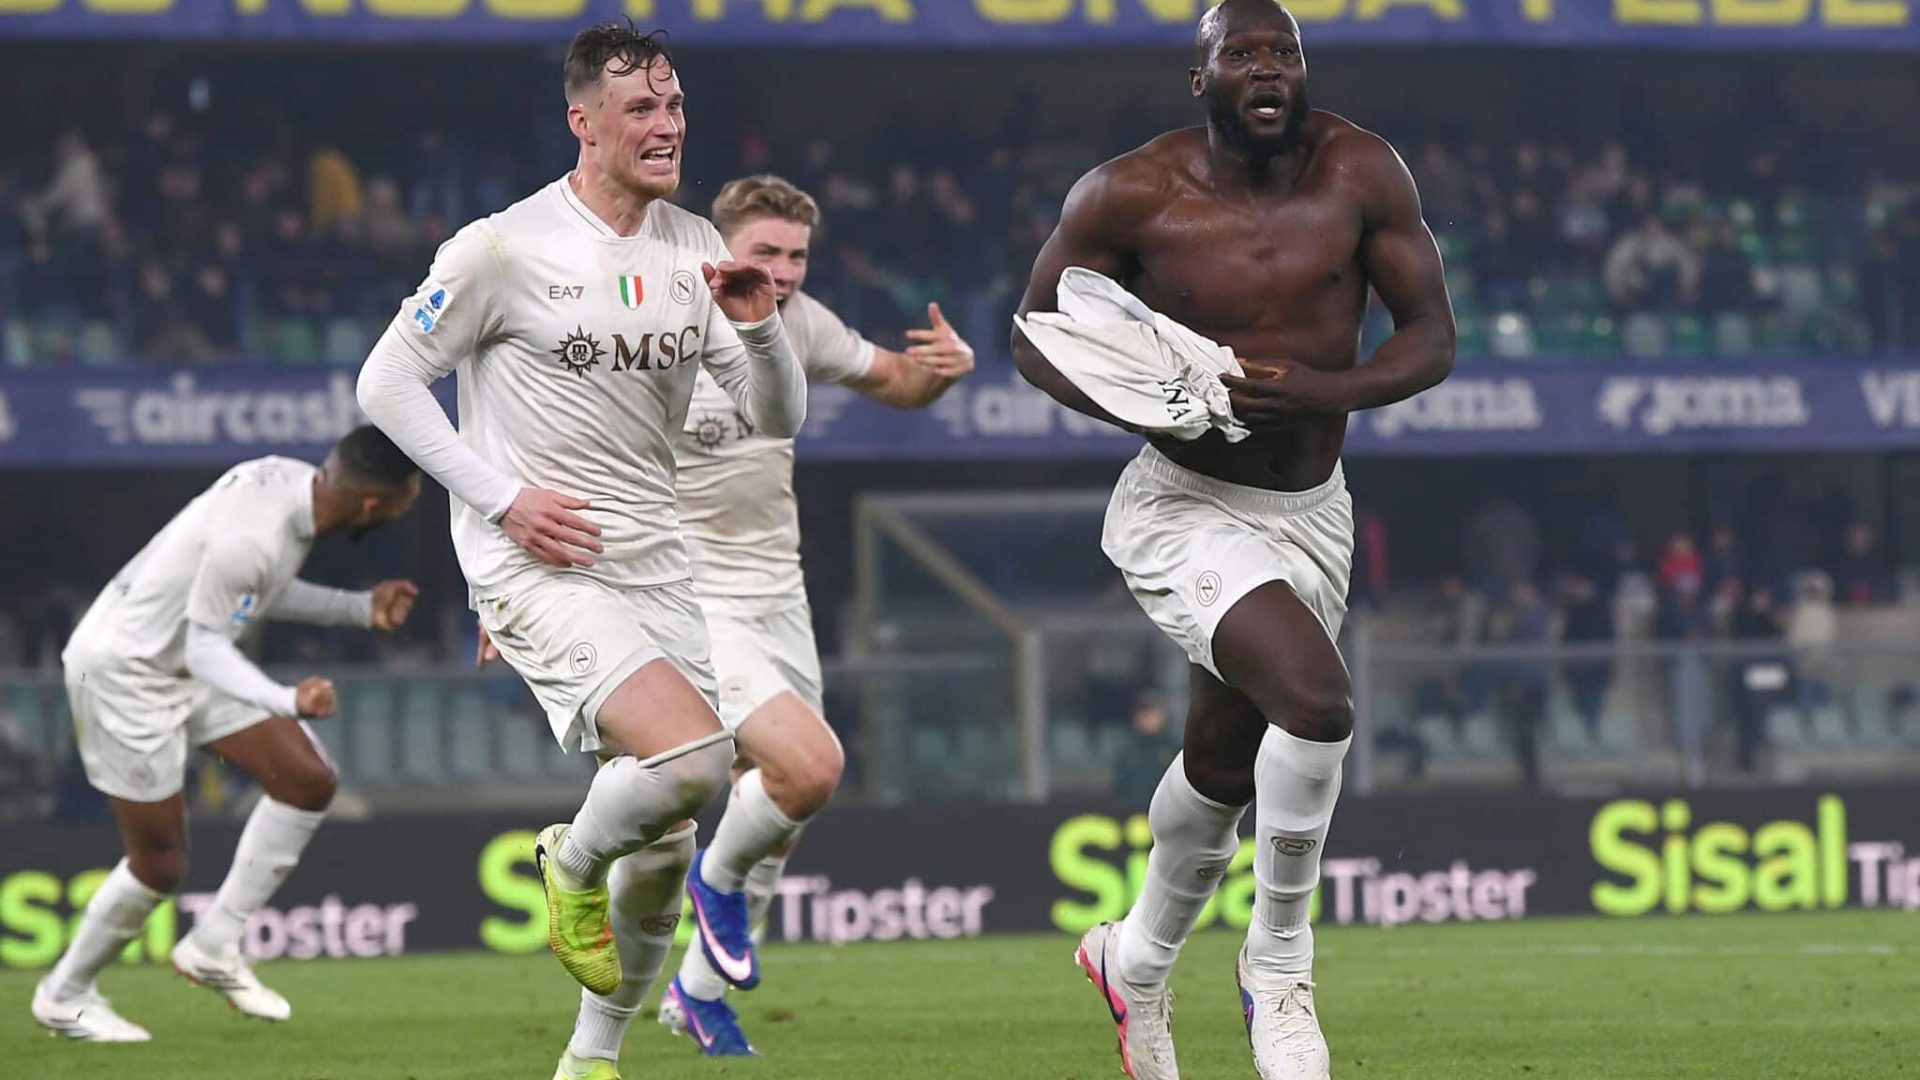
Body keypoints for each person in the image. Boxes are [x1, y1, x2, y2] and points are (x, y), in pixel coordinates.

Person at [354, 23, 807, 1080]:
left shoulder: (697, 248)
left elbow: (776, 416)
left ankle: (589, 1061)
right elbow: (383, 386)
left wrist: (759, 324)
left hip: (658, 559)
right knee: (694, 761)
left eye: (677, 106)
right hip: (538, 558)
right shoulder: (501, 248)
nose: (667, 126)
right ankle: (569, 856)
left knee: (672, 849)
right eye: (643, 109)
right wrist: (501, 500)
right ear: (584, 122)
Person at [1010, 3, 1454, 1077]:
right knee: (1318, 701)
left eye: (1284, 52)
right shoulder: (1127, 192)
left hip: (1311, 509)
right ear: (1199, 78)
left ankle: (1137, 963)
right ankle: (1280, 965)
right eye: (1242, 54)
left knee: (1221, 765)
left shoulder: (1363, 171)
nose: (1268, 69)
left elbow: (1434, 336)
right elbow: (1033, 342)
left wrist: (1327, 388)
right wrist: (1154, 409)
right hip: (1182, 503)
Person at [654, 174, 974, 1055]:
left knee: (782, 813)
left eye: (796, 255)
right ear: (717, 248)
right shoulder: (658, 327)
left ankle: (694, 993)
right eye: (766, 252)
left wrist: (942, 372)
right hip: (689, 599)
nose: (785, 271)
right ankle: (709, 887)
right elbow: (578, 451)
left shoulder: (800, 324)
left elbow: (898, 383)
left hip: (777, 598)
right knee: (810, 769)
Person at [33, 427, 422, 1042]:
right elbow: (211, 639)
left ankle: (214, 944)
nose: (406, 512)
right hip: (125, 671)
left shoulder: (279, 481)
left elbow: (247, 593)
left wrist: (357, 608)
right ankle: (65, 995)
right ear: (373, 505)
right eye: (406, 503)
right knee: (159, 865)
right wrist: (286, 699)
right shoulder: (257, 538)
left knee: (307, 781)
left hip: (185, 658)